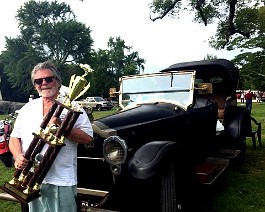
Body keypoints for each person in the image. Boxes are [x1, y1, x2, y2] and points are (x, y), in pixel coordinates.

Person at [9, 61, 93, 212]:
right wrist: (18, 155)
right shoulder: (27, 108)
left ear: (58, 82)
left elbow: (87, 137)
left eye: (49, 79)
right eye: (39, 81)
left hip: (61, 180)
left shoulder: (73, 108)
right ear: (35, 85)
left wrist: (62, 126)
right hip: (30, 178)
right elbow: (15, 137)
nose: (44, 83)